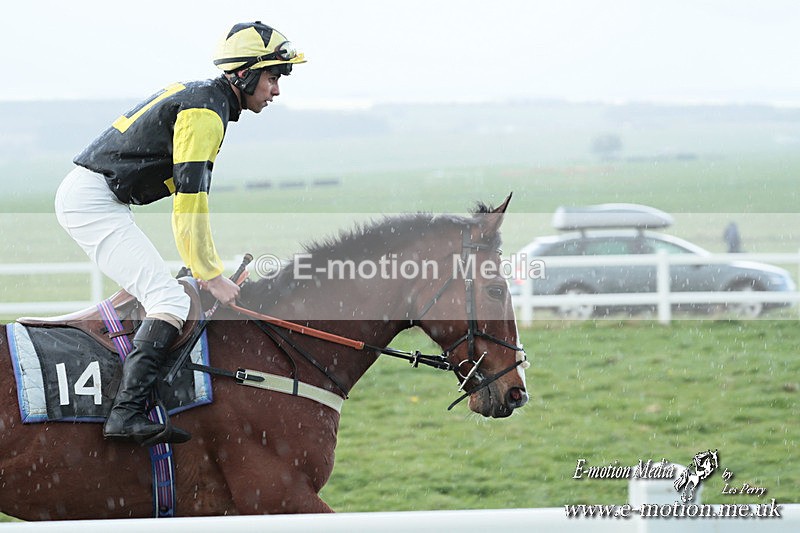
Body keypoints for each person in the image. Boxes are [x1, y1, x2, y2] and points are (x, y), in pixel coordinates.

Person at [54, 21, 306, 445]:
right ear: (244, 74)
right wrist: (210, 274)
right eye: (272, 76)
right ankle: (126, 413)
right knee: (168, 299)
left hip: (97, 197)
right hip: (91, 202)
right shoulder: (206, 113)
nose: (277, 89)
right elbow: (190, 203)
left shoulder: (206, 99)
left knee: (167, 294)